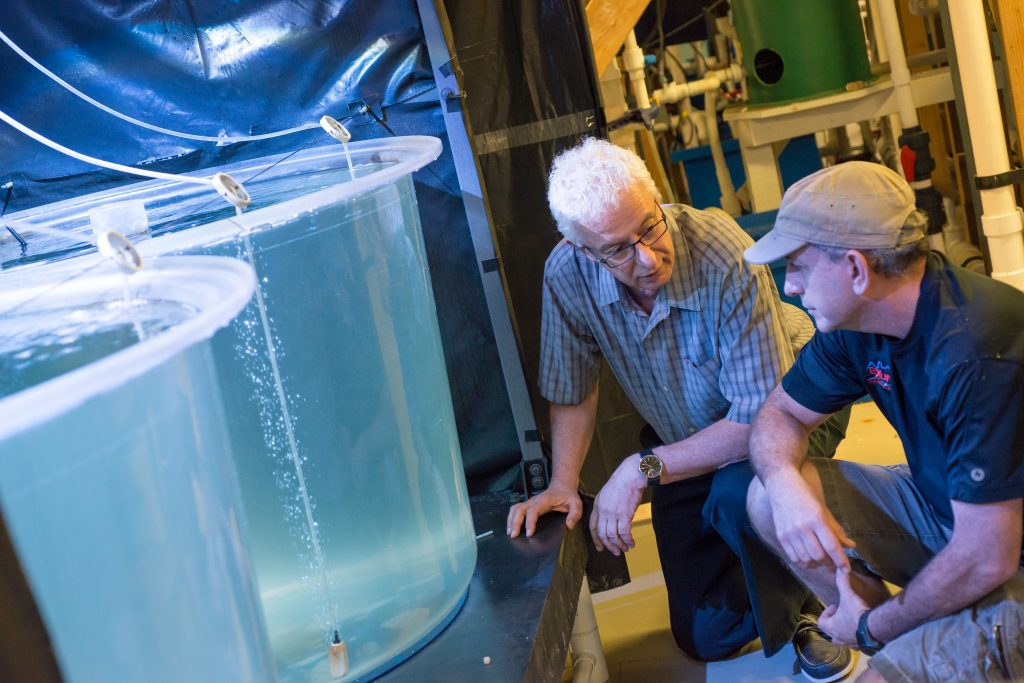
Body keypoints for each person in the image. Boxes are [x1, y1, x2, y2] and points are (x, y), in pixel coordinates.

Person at [505, 137, 852, 680]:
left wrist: (641, 468)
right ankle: (819, 537)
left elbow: (760, 423)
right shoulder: (566, 273)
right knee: (702, 635)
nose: (646, 257)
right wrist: (563, 483)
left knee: (744, 494)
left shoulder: (720, 251)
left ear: (657, 197)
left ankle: (820, 603)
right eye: (618, 249)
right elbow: (573, 387)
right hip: (689, 433)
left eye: (649, 226)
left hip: (785, 412)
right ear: (583, 250)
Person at [744, 160, 1024, 682]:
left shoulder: (974, 349)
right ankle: (907, 641)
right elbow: (778, 414)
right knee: (766, 496)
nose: (791, 288)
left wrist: (873, 628)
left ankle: (897, 642)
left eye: (798, 267)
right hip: (955, 519)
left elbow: (988, 556)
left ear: (855, 267)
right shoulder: (858, 322)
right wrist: (784, 484)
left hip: (1005, 557)